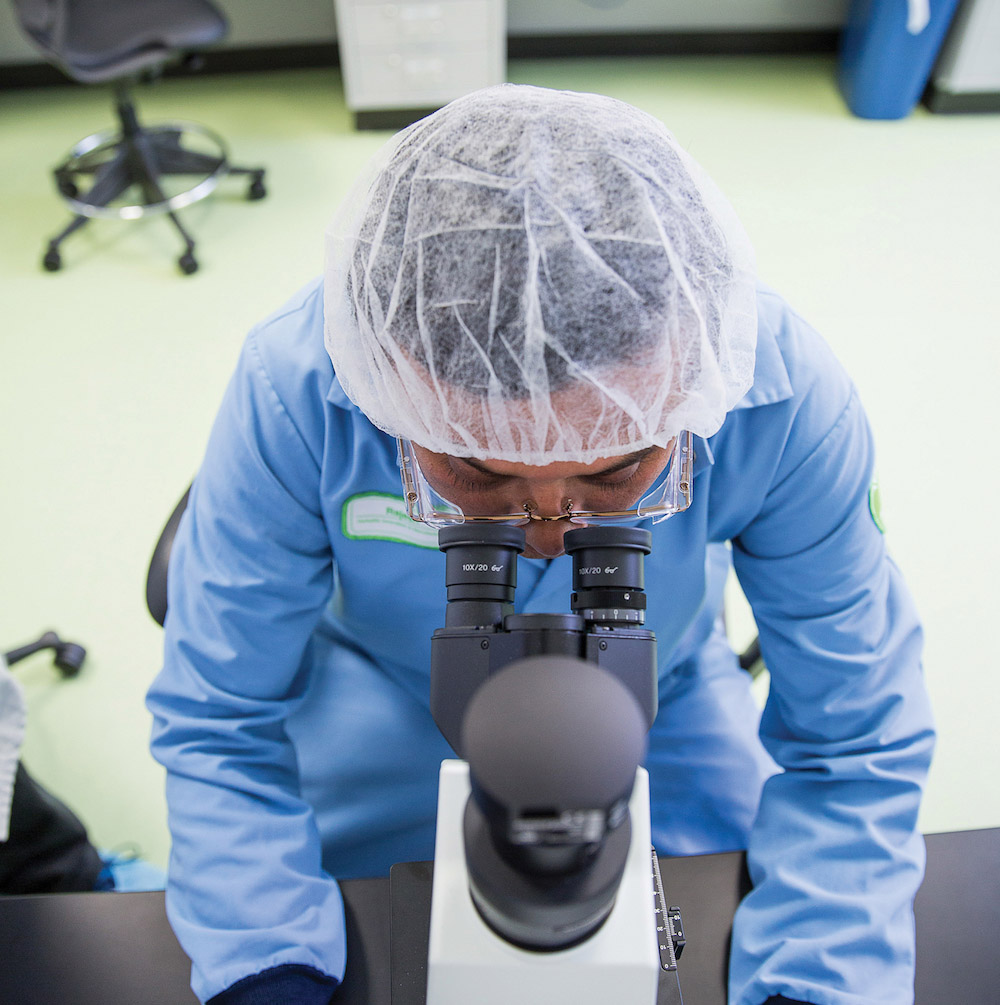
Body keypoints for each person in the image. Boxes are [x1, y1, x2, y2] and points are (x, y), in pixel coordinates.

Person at [146, 84, 935, 1005]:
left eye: (612, 477)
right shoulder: (297, 388)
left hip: (664, 692)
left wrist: (821, 984)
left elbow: (858, 736)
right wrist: (264, 973)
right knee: (350, 927)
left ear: (691, 390)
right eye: (482, 480)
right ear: (388, 398)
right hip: (385, 693)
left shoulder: (778, 391)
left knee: (732, 894)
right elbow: (218, 717)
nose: (553, 534)